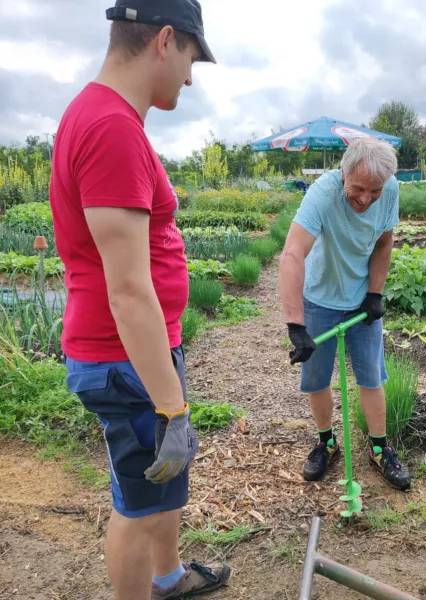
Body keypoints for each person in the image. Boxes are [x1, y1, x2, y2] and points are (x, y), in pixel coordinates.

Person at [49, 1, 231, 598]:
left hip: (136, 353)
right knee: (137, 503)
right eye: (191, 58)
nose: (190, 74)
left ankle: (169, 576)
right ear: (165, 40)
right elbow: (128, 291)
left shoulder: (104, 116)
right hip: (124, 357)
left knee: (159, 486)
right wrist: (171, 409)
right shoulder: (111, 128)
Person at [278, 138, 411, 491]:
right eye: (358, 189)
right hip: (319, 300)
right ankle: (327, 442)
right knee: (317, 378)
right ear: (343, 172)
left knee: (371, 377)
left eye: (375, 191)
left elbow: (384, 242)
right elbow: (292, 254)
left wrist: (374, 294)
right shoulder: (322, 194)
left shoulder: (390, 189)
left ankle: (380, 449)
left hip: (360, 302)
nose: (366, 199)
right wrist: (296, 325)